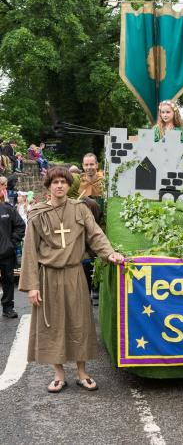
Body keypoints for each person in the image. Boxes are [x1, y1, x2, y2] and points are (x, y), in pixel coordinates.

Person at [19, 166, 124, 393]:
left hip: (75, 274)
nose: (59, 186)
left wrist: (109, 253)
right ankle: (58, 374)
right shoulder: (37, 214)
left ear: (69, 185)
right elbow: (29, 251)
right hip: (48, 276)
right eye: (55, 182)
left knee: (79, 322)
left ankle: (82, 373)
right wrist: (32, 286)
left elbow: (95, 234)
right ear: (48, 186)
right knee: (52, 325)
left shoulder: (80, 210)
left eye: (63, 182)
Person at [0, 185, 26, 318]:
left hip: (6, 253)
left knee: (8, 280)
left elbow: (21, 225)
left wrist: (11, 242)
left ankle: (8, 307)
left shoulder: (7, 208)